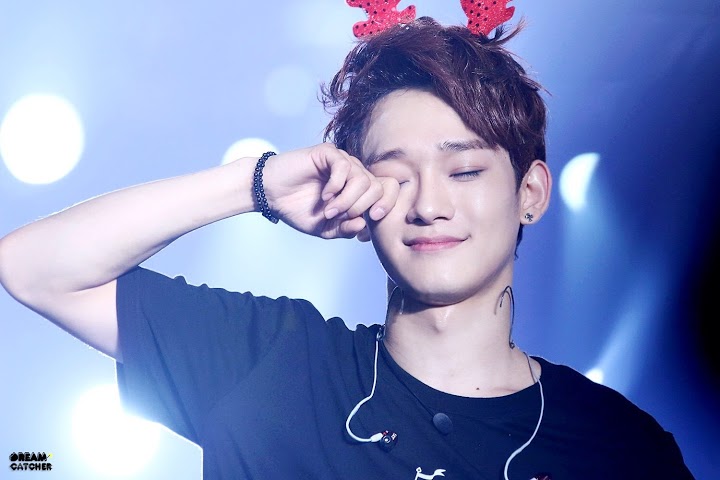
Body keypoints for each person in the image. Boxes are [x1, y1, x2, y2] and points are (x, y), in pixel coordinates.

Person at [0, 13, 694, 480]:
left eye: (464, 171)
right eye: (397, 173)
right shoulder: (272, 362)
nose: (428, 204)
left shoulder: (619, 447)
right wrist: (257, 184)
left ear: (531, 192)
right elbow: (32, 268)